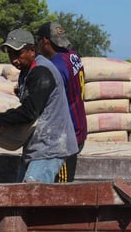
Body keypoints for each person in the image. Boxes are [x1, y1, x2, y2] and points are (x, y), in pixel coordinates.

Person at [0, 29, 79, 183]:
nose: (14, 60)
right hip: (37, 148)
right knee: (24, 196)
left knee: (32, 197)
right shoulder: (27, 72)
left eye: (18, 54)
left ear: (32, 50)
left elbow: (28, 113)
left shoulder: (42, 73)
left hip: (52, 148)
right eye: (10, 54)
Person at [37, 22, 87, 182]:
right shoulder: (73, 56)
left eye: (38, 41)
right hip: (78, 126)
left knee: (61, 190)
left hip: (65, 138)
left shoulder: (55, 67)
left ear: (45, 41)